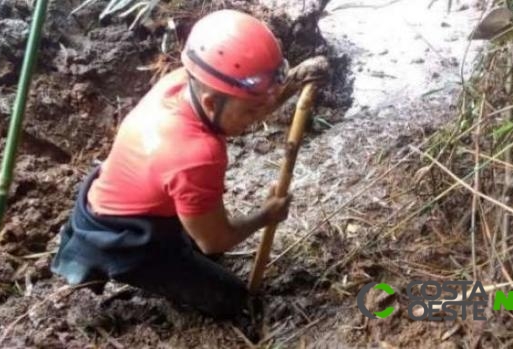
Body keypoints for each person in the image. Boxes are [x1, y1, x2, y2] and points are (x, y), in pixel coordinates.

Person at [50, 9, 328, 333]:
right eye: (252, 110)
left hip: (120, 196)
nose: (259, 115)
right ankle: (119, 269)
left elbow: (245, 100)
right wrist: (265, 215)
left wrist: (293, 82)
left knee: (201, 252)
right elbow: (215, 241)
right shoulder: (198, 155)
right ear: (211, 103)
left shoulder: (185, 83)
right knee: (231, 298)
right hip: (126, 237)